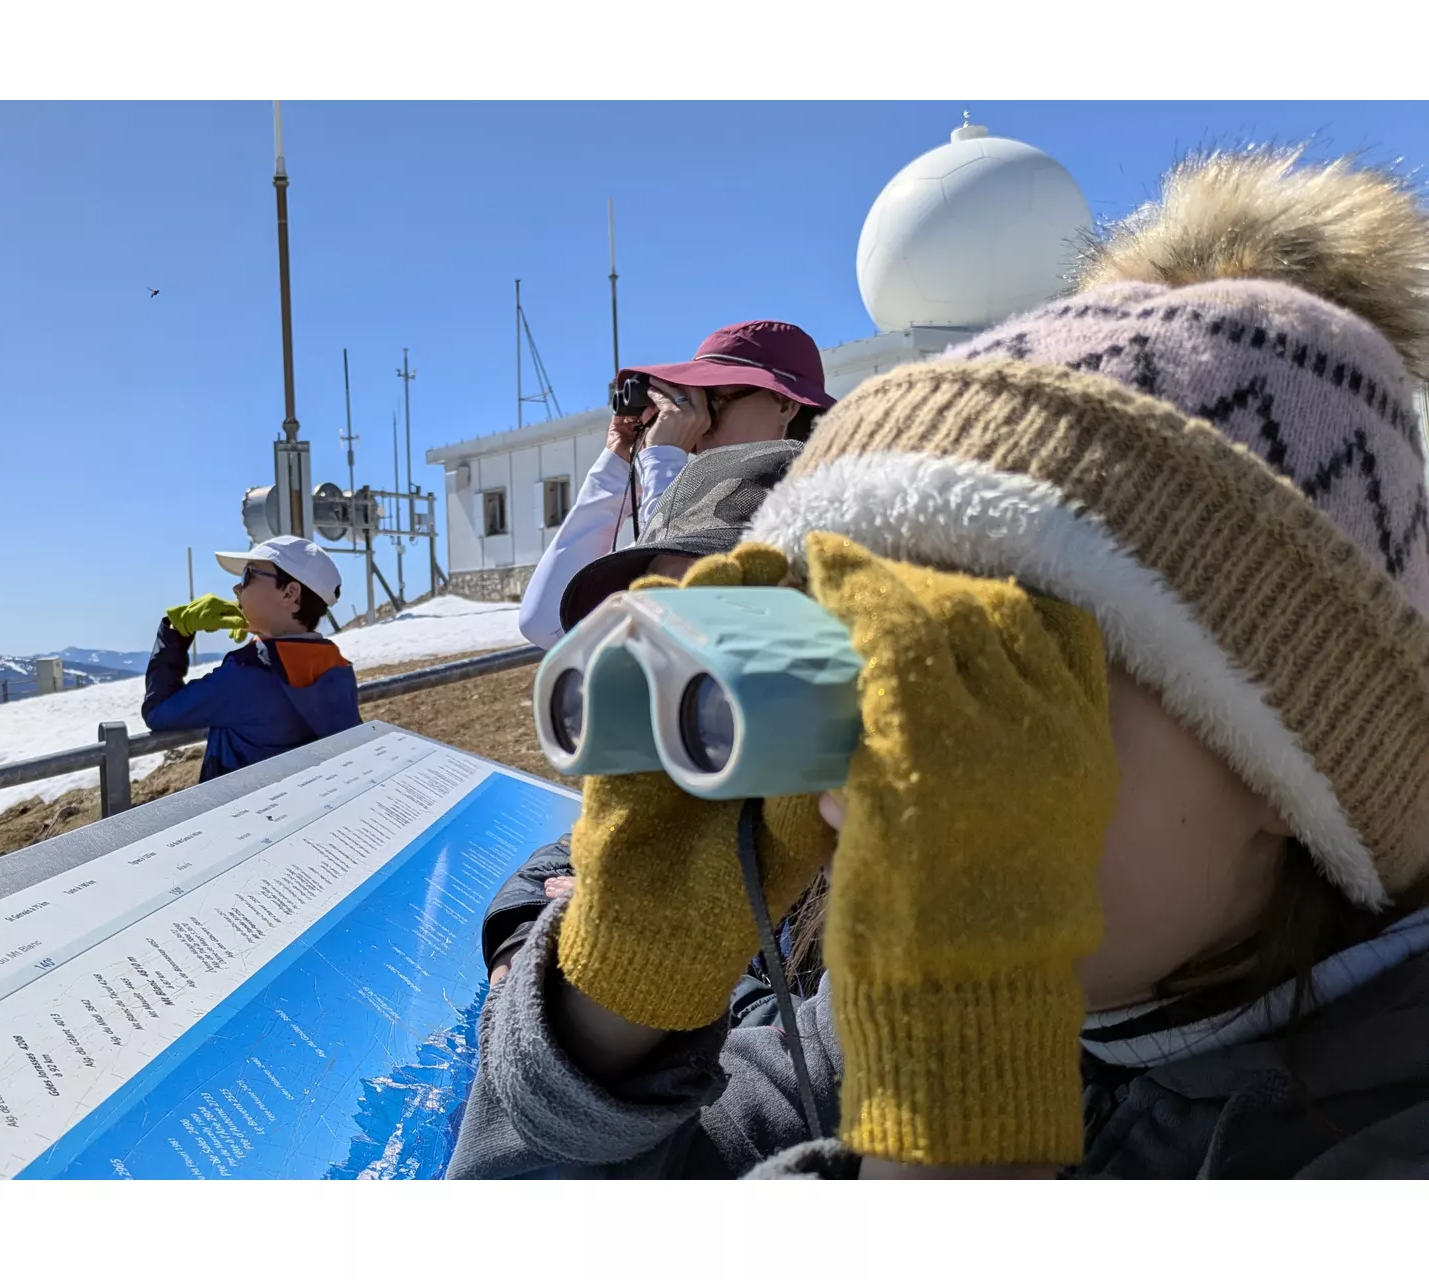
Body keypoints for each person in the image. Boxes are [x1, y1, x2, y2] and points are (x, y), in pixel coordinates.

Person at [450, 147, 1429, 1179]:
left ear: (1297, 759)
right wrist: (619, 1005)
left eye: (995, 662)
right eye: (865, 646)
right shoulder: (863, 1027)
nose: (880, 759)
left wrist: (951, 1147)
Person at [481, 439, 806, 992]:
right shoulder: (714, 758)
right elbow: (582, 849)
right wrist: (526, 931)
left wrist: (646, 956)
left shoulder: (897, 827)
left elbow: (829, 1052)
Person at [516, 320, 833, 650]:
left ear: (785, 403)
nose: (698, 422)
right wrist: (617, 463)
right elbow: (544, 623)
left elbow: (673, 610)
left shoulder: (811, 506)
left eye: (714, 401)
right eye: (689, 402)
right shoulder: (688, 501)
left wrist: (663, 461)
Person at [141, 535, 360, 782]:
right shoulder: (336, 665)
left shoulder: (245, 673)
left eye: (248, 576)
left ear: (290, 594)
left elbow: (158, 712)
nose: (237, 589)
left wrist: (174, 631)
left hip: (238, 813)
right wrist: (264, 636)